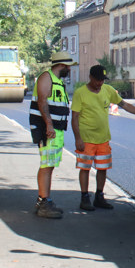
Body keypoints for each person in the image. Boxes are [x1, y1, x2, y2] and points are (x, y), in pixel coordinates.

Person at [70, 64, 135, 211]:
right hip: (86, 139)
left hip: (103, 138)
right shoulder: (80, 93)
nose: (100, 83)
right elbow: (74, 117)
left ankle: (99, 196)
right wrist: (78, 138)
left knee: (103, 168)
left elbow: (124, 104)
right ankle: (84, 197)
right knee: (85, 168)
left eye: (102, 80)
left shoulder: (108, 90)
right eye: (97, 80)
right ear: (90, 77)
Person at [29, 51, 76, 219]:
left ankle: (45, 199)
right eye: (68, 67)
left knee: (50, 164)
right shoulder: (46, 78)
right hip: (48, 130)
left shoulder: (56, 80)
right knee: (47, 165)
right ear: (62, 65)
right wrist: (49, 124)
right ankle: (44, 202)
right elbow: (42, 101)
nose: (70, 70)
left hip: (55, 130)